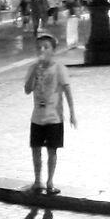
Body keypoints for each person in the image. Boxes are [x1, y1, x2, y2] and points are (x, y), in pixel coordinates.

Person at [24, 32, 76, 194]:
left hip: (54, 117)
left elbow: (67, 90)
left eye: (46, 47)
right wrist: (35, 70)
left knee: (52, 150)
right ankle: (37, 180)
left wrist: (72, 112)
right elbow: (27, 89)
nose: (42, 50)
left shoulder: (59, 68)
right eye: (39, 47)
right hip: (37, 117)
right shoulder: (33, 68)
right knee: (36, 149)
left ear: (53, 49)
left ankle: (50, 181)